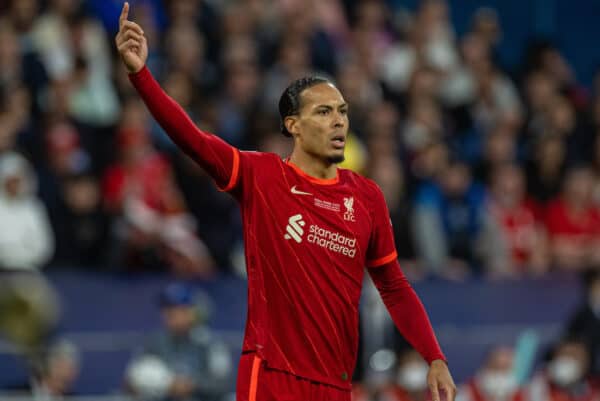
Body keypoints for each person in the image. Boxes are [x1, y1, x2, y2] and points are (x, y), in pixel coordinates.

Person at [115, 3, 456, 400]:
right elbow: (193, 140)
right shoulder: (263, 177)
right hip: (272, 374)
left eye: (343, 112)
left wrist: (434, 356)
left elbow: (393, 286)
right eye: (324, 112)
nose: (339, 122)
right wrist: (141, 75)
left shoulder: (367, 197)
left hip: (335, 383)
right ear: (293, 125)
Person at [126, 283, 233, 401]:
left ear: (193, 312)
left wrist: (189, 386)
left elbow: (222, 384)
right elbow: (130, 383)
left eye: (178, 309)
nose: (169, 314)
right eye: (167, 309)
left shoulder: (210, 344)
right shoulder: (153, 343)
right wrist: (148, 383)